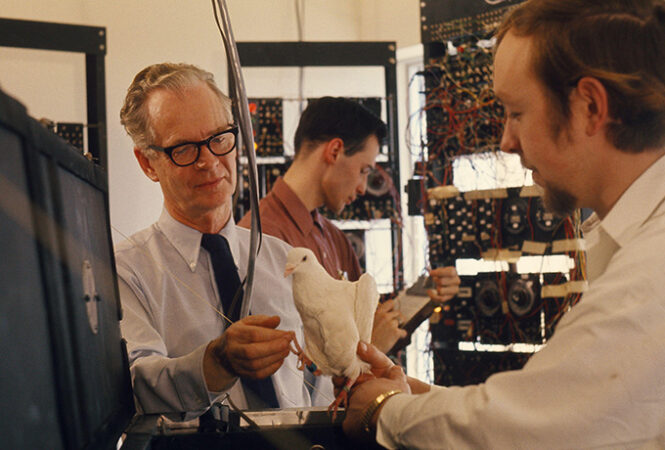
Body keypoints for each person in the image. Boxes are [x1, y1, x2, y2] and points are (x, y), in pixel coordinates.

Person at [340, 0, 665, 447]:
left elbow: (537, 427)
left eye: (515, 113)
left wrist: (385, 411)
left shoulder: (650, 274)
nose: (506, 141)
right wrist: (423, 401)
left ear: (591, 106)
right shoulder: (634, 245)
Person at [116, 62, 310, 417]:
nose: (209, 161)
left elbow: (315, 383)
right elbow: (135, 383)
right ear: (147, 163)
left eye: (219, 139)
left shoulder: (282, 258)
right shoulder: (126, 272)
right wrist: (215, 364)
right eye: (185, 148)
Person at [238, 97, 461, 355]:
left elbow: (365, 327)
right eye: (364, 170)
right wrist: (368, 349)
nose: (363, 188)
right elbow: (288, 376)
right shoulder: (259, 240)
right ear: (334, 151)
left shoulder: (333, 239)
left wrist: (421, 303)